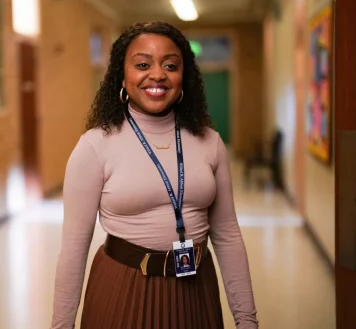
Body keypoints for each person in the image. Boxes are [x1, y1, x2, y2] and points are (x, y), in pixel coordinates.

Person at [51, 22, 258, 329]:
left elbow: (227, 234)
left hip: (196, 290)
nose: (158, 74)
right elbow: (73, 247)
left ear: (182, 76)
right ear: (122, 76)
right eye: (143, 64)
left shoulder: (210, 141)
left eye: (170, 65)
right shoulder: (95, 145)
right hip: (122, 290)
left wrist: (247, 321)